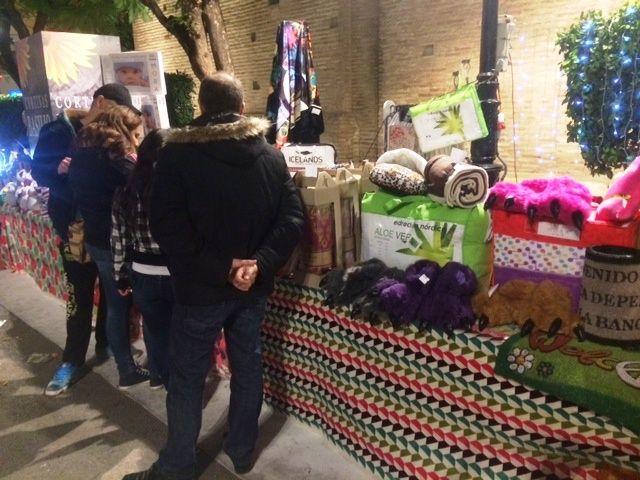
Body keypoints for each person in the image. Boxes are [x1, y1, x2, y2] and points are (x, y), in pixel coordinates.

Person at [123, 72, 305, 480]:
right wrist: (256, 264)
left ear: (201, 107)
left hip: (199, 290)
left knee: (187, 377)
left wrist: (225, 267)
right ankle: (241, 450)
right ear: (241, 108)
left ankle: (177, 466)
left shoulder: (176, 156)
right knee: (248, 365)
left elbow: (168, 228)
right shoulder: (271, 156)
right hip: (252, 286)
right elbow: (292, 220)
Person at [32, 83, 137, 396]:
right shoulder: (57, 130)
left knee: (112, 294)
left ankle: (107, 343)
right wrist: (57, 168)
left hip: (108, 232)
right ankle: (71, 359)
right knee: (79, 297)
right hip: (74, 230)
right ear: (100, 102)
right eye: (116, 111)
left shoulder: (111, 134)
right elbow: (38, 171)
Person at [68, 104, 149, 390]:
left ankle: (125, 365)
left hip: (96, 238)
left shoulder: (82, 151)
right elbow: (140, 187)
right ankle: (132, 369)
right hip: (120, 241)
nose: (137, 139)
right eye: (135, 133)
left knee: (116, 304)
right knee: (137, 303)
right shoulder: (115, 157)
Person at [111, 129, 172, 390]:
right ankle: (174, 385)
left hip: (142, 272)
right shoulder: (177, 189)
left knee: (154, 328)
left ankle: (158, 375)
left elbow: (118, 238)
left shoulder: (126, 190)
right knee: (178, 332)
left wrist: (120, 276)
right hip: (175, 272)